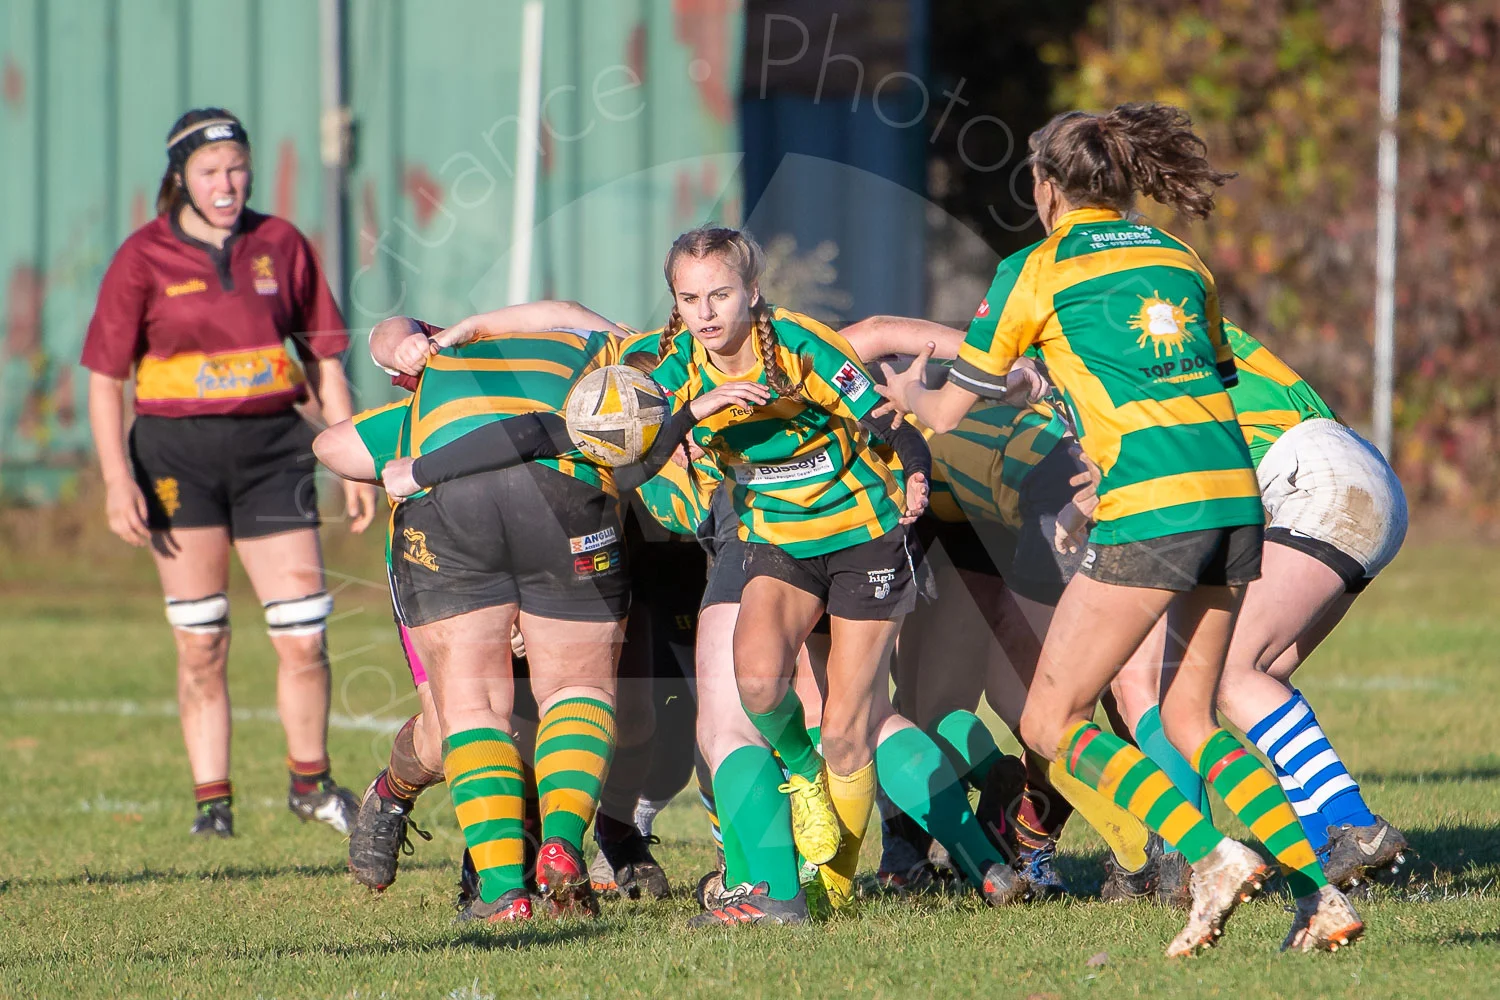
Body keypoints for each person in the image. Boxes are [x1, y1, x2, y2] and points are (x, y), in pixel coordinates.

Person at [875, 103, 1363, 955]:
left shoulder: (1037, 266)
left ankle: (1210, 856)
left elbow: (954, 407)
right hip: (1236, 496)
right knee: (1191, 718)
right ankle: (1319, 893)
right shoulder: (1180, 256)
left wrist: (909, 395)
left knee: (1049, 723)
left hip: (1153, 504)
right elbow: (1209, 373)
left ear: (1046, 187)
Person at [650, 226, 1032, 923]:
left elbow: (889, 418)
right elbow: (641, 455)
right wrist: (692, 413)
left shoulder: (801, 346)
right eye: (690, 298)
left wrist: (918, 468)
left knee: (851, 725)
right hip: (779, 543)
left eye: (720, 295)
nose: (706, 313)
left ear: (752, 293)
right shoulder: (676, 366)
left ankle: (832, 886)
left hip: (866, 540)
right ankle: (815, 783)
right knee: (762, 682)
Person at [81, 107, 373, 839]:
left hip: (275, 455)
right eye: (210, 171)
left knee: (304, 632)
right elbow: (103, 380)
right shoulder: (142, 256)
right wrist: (119, 480)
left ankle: (310, 783)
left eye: (237, 167)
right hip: (177, 461)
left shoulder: (281, 244)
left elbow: (325, 360)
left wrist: (355, 464)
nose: (227, 183)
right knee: (201, 640)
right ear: (179, 176)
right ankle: (213, 804)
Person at [1110, 318, 1410, 893]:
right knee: (1260, 672)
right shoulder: (1171, 314)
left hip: (1320, 479)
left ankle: (1352, 824)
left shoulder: (1116, 345)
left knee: (1224, 670)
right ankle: (1331, 847)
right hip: (1352, 471)